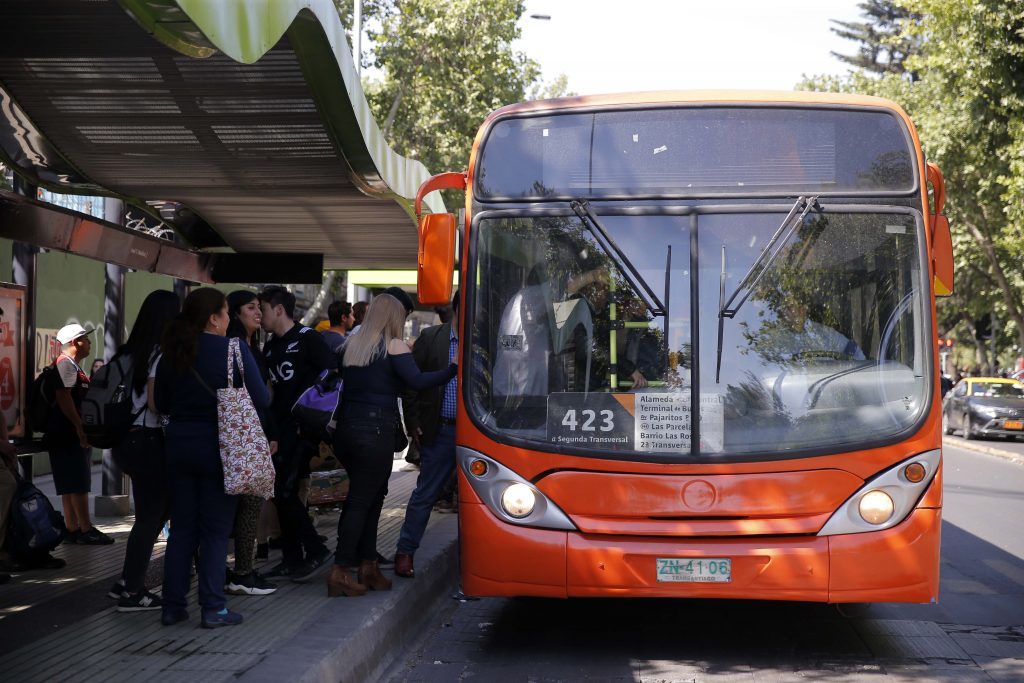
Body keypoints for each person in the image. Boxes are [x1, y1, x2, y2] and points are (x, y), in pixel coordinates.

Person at [155, 288, 272, 628]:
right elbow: (262, 398)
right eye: (224, 313)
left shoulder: (172, 352)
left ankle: (173, 607)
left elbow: (161, 403)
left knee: (182, 530)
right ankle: (213, 607)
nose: (227, 320)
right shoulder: (231, 350)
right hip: (221, 448)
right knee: (216, 531)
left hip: (178, 446)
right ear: (213, 318)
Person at [327, 293, 456, 597]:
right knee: (362, 501)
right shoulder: (394, 345)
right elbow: (418, 381)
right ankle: (341, 570)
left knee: (368, 499)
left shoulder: (351, 346)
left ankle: (367, 566)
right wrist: (452, 368)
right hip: (375, 432)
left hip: (347, 430)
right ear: (393, 317)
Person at [258, 286, 335, 582]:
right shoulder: (270, 346)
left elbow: (331, 375)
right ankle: (292, 557)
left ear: (278, 309)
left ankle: (314, 549)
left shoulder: (308, 340)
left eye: (263, 309)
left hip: (300, 431)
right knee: (279, 494)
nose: (261, 316)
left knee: (286, 492)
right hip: (277, 430)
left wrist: (312, 414)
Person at [109, 290, 180, 611]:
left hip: (127, 442)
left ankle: (127, 581)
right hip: (150, 443)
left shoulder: (126, 352)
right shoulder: (160, 355)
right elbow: (156, 404)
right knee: (150, 518)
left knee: (153, 514)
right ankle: (133, 591)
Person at [395, 291, 461, 578]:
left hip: (480, 434)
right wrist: (413, 422)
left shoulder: (486, 342)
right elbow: (411, 383)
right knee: (426, 493)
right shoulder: (433, 337)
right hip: (441, 429)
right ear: (459, 309)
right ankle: (405, 552)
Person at [224, 290, 277, 596]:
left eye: (259, 308)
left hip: (252, 435)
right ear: (232, 313)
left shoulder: (252, 347)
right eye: (250, 308)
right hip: (241, 437)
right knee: (246, 502)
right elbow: (260, 398)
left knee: (249, 502)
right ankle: (240, 571)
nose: (258, 313)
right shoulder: (234, 349)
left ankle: (239, 569)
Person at [46, 323, 113, 546]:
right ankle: (85, 529)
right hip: (68, 434)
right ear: (75, 342)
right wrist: (79, 427)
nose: (90, 343)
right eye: (86, 339)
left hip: (66, 434)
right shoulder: (66, 366)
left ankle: (72, 528)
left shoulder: (71, 366)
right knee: (78, 482)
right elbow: (64, 397)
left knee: (70, 483)